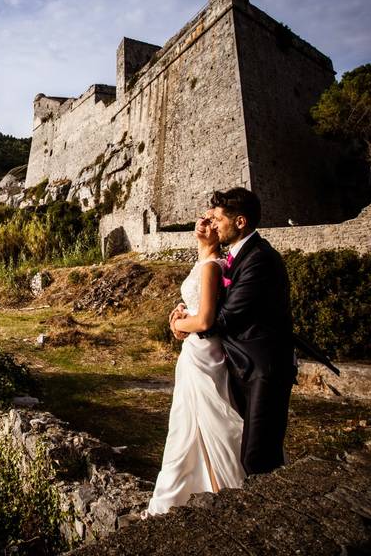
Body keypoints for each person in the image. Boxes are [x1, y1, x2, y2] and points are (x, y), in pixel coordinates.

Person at [182, 187, 298, 476]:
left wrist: (182, 324)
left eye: (218, 219)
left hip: (264, 368)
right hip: (239, 364)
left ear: (240, 222)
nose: (214, 225)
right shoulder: (237, 256)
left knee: (259, 456)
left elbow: (225, 317)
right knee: (239, 445)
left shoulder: (259, 258)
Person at [142, 209, 246, 518]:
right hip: (195, 349)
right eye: (202, 218)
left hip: (203, 352)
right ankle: (197, 486)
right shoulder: (202, 263)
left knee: (207, 421)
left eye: (211, 221)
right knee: (188, 424)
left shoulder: (213, 266)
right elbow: (197, 311)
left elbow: (205, 319)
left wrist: (178, 325)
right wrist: (179, 319)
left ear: (217, 232)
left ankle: (220, 486)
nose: (203, 223)